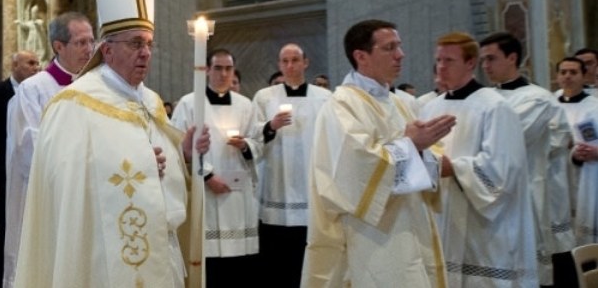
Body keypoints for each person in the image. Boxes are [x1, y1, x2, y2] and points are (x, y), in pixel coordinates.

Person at [13, 0, 210, 288]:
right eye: (135, 43)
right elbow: (66, 185)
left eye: (149, 43)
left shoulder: (151, 102)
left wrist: (183, 156)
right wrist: (143, 165)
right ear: (107, 49)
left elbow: (167, 179)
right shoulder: (73, 104)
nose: (145, 52)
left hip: (162, 255)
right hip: (101, 260)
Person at [301, 19, 456, 287]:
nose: (401, 55)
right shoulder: (340, 105)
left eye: (400, 46)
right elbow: (352, 170)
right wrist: (411, 146)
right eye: (390, 48)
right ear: (361, 56)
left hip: (411, 221)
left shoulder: (399, 103)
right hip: (372, 234)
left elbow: (422, 154)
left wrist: (426, 152)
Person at [421, 31, 537, 286]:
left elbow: (502, 169)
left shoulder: (494, 107)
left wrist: (455, 168)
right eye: (438, 60)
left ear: (470, 63)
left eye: (449, 61)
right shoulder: (429, 107)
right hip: (443, 216)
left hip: (485, 226)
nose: (441, 67)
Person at [3, 12, 94, 288]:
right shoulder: (33, 90)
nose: (89, 49)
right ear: (58, 46)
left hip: (89, 195)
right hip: (48, 197)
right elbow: (30, 147)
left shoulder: (97, 88)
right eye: (80, 43)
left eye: (92, 41)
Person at [479, 32, 575, 286]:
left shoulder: (536, 98)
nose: (485, 66)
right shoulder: (485, 97)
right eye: (482, 61)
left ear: (512, 58)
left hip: (524, 190)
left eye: (491, 59)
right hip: (487, 191)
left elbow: (507, 141)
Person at [172, 49, 260, 288]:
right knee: (211, 267)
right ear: (207, 70)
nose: (224, 74)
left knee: (238, 268)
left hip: (237, 196)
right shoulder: (190, 103)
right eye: (218, 68)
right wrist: (208, 175)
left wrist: (245, 145)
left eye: (228, 69)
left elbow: (257, 141)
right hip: (206, 194)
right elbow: (179, 145)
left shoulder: (245, 104)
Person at [252, 42, 331, 287]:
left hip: (311, 184)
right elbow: (252, 134)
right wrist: (270, 126)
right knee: (277, 260)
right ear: (279, 65)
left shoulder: (325, 97)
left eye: (295, 60)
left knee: (308, 256)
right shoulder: (265, 97)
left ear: (305, 62)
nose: (289, 65)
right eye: (284, 61)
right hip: (277, 182)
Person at [0, 50, 39, 288]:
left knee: (27, 234)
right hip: (3, 179)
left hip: (27, 176)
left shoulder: (35, 94)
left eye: (38, 63)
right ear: (14, 65)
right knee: (6, 234)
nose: (36, 67)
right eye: (30, 63)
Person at [553, 56, 598, 287]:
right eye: (563, 72)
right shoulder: (550, 104)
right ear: (557, 76)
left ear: (584, 75)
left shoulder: (594, 107)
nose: (568, 77)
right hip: (557, 178)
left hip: (589, 179)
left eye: (573, 72)